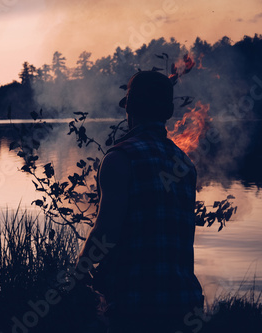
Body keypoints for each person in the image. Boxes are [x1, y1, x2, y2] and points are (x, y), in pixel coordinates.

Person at [76, 71, 204, 333]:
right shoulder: (185, 164)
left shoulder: (119, 159)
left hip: (135, 306)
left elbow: (106, 233)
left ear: (129, 109)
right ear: (168, 112)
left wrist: (80, 269)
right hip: (184, 305)